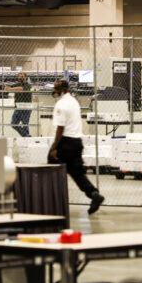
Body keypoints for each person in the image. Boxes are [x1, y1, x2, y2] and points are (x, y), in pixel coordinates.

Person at [48, 78, 104, 214]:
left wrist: (54, 147)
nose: (53, 92)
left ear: (60, 91)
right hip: (77, 142)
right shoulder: (73, 101)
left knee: (51, 170)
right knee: (77, 173)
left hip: (65, 142)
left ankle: (51, 201)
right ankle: (94, 194)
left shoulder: (61, 105)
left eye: (55, 89)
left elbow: (60, 128)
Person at [8, 72, 33, 137]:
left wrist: (10, 89)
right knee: (13, 123)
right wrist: (9, 88)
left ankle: (26, 137)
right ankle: (26, 136)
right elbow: (6, 88)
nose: (20, 77)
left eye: (22, 76)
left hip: (26, 107)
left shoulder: (28, 85)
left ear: (26, 77)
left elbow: (21, 89)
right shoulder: (16, 84)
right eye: (19, 76)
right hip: (18, 106)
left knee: (25, 124)